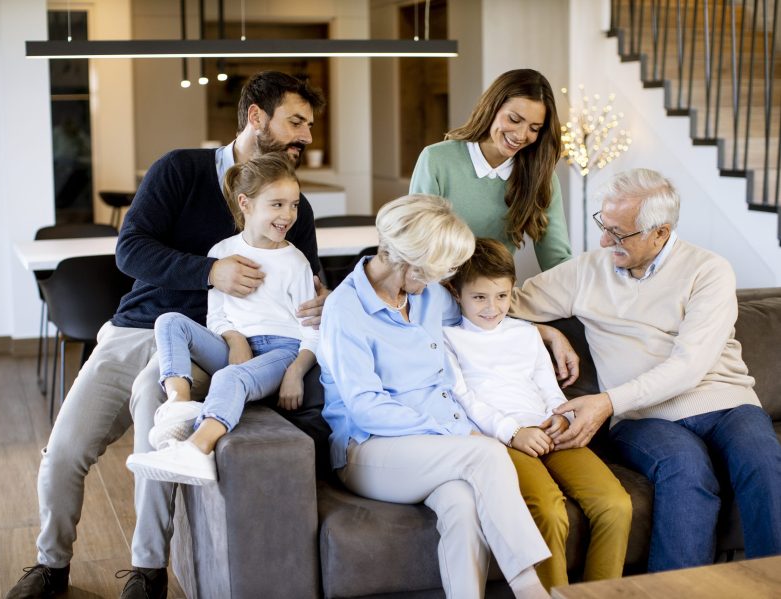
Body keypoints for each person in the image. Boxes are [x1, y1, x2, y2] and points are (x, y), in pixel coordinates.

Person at [6, 71, 328, 599]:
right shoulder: (181, 169)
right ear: (255, 118)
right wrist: (208, 271)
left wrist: (322, 301)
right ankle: (50, 563)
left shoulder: (295, 206)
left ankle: (147, 570)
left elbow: (306, 283)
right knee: (64, 450)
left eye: (309, 126)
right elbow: (129, 249)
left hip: (211, 345)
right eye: (296, 122)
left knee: (155, 411)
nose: (307, 137)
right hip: (134, 327)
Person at [508, 168, 781, 573]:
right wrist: (544, 330)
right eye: (604, 225)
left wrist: (606, 401)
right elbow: (498, 305)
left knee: (763, 459)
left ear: (660, 232)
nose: (604, 241)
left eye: (619, 233)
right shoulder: (585, 271)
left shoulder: (709, 270)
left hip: (723, 401)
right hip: (644, 417)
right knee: (685, 469)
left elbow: (689, 366)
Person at [318, 194, 553, 599]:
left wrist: (549, 333)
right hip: (370, 450)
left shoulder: (426, 295)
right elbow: (366, 408)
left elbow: (484, 317)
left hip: (431, 451)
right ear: (406, 260)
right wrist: (454, 432)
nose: (441, 280)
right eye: (435, 269)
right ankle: (530, 588)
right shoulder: (345, 311)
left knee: (462, 506)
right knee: (487, 453)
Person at [443, 238, 632, 590]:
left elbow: (548, 387)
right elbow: (465, 400)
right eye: (479, 297)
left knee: (615, 504)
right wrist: (514, 432)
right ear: (456, 293)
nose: (492, 307)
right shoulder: (448, 339)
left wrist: (561, 416)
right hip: (502, 440)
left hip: (550, 427)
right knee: (548, 510)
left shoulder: (526, 333)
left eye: (502, 296)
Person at [126, 152, 318, 485]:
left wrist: (295, 371)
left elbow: (313, 329)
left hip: (281, 352)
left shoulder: (296, 262)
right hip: (233, 347)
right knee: (169, 321)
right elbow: (216, 315)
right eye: (277, 204)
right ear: (245, 204)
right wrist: (235, 338)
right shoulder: (222, 252)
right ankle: (178, 405)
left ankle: (197, 450)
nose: (288, 215)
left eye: (294, 205)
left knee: (229, 379)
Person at [409, 68, 572, 273]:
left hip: (494, 297)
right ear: (492, 108)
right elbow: (417, 244)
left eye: (534, 128)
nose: (521, 135)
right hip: (436, 291)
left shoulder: (541, 177)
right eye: (514, 119)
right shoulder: (437, 160)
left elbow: (556, 259)